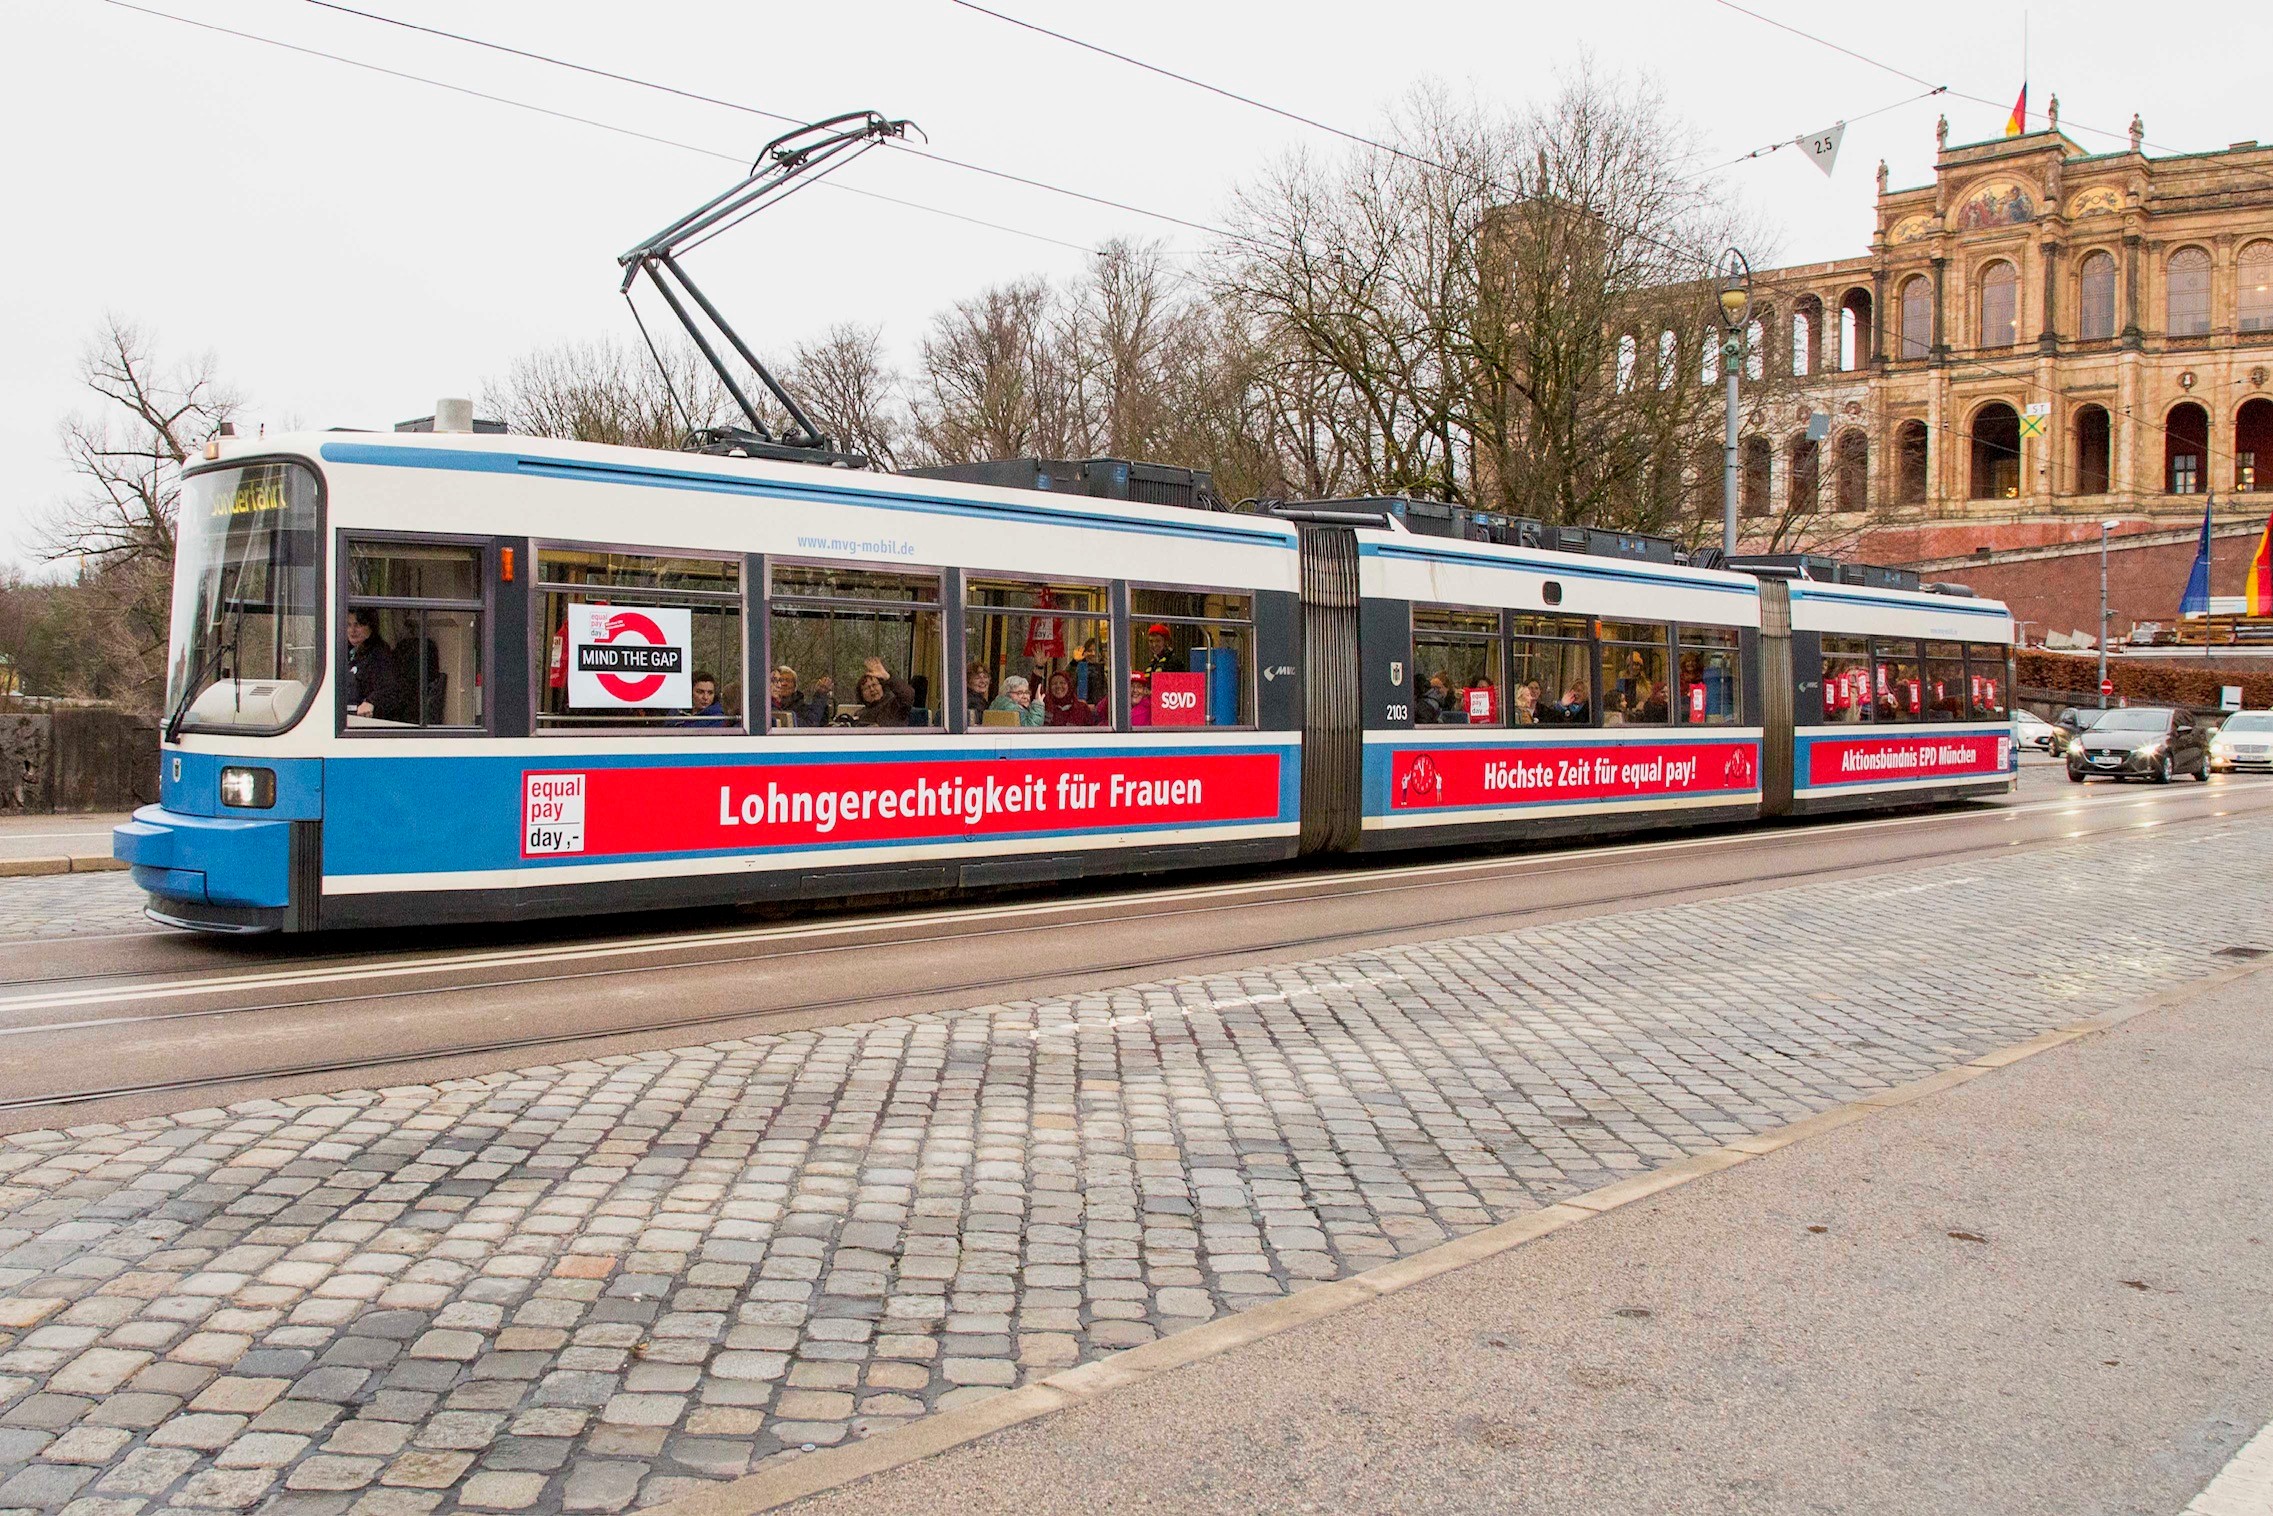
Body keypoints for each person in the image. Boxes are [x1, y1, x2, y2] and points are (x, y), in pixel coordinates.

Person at [342, 609, 412, 722]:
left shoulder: (380, 654)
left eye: (358, 625)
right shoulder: (345, 651)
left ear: (371, 626)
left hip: (367, 722)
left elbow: (391, 688)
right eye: (348, 625)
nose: (352, 630)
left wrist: (370, 702)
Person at [847, 657, 915, 727]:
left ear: (882, 686)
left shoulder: (895, 705)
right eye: (866, 688)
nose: (872, 689)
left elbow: (908, 695)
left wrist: (887, 677)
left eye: (874, 685)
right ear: (862, 695)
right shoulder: (860, 714)